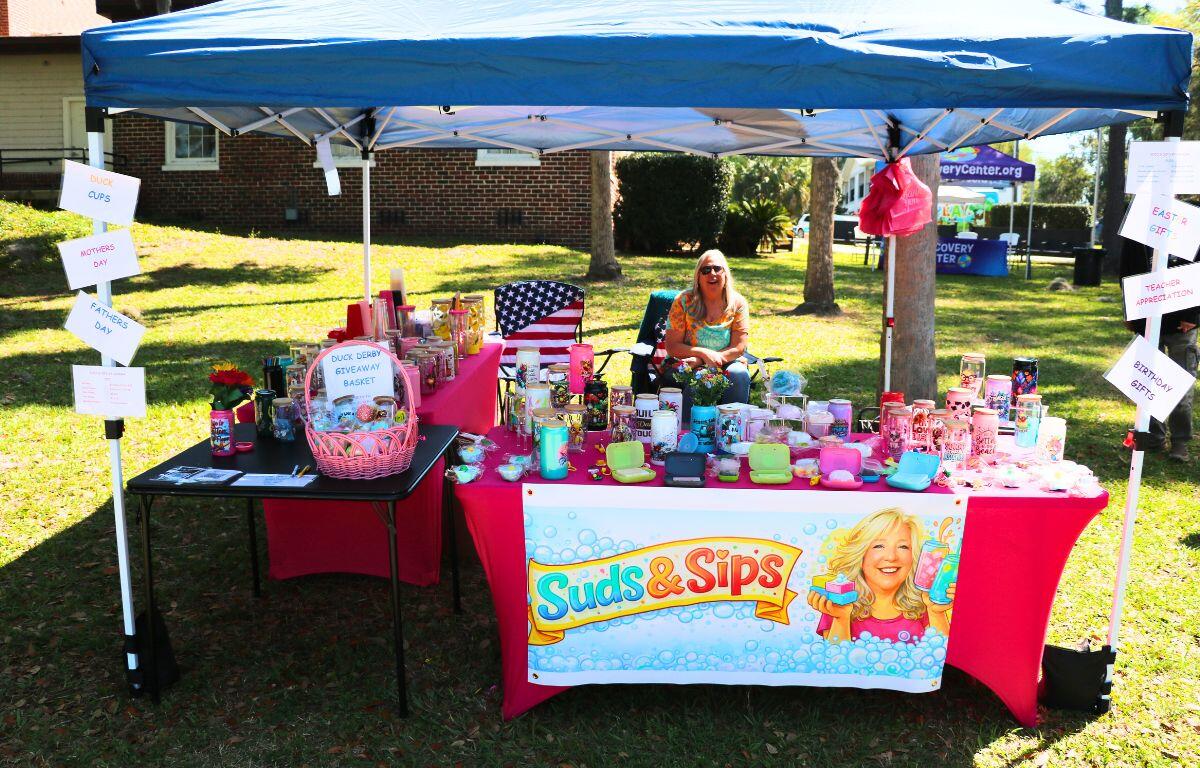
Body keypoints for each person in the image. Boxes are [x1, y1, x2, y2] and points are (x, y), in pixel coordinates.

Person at [807, 507, 954, 644]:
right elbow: (835, 664)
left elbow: (937, 659)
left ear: (914, 557)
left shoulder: (924, 604)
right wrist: (841, 619)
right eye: (878, 546)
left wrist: (937, 614)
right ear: (861, 555)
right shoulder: (836, 603)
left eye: (903, 546)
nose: (891, 557)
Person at [1120, 240, 1199, 463]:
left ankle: (1181, 441)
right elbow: (1127, 270)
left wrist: (1193, 315)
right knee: (1148, 382)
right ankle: (1154, 435)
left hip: (1181, 323)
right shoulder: (1139, 224)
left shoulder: (1191, 222)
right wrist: (1130, 310)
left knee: (1180, 384)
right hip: (1146, 318)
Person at [662, 249, 752, 406]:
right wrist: (702, 355)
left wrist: (709, 361)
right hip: (687, 362)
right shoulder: (684, 301)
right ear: (698, 276)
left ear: (725, 274)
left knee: (739, 374)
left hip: (727, 361)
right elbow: (672, 346)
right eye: (706, 270)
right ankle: (691, 429)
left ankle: (733, 427)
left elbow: (739, 347)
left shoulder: (738, 303)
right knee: (700, 378)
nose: (712, 273)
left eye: (718, 268)